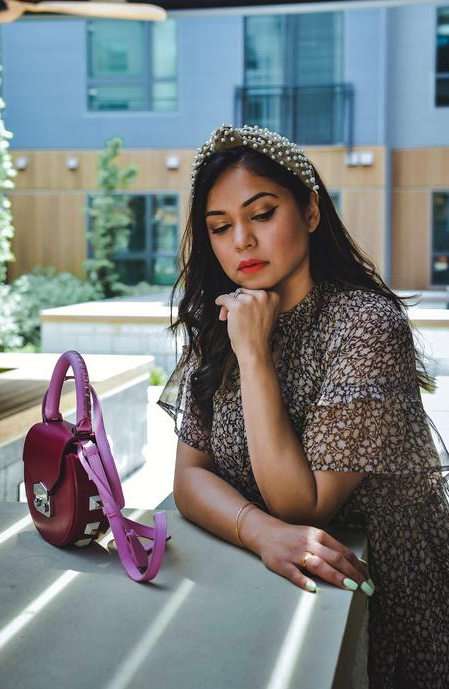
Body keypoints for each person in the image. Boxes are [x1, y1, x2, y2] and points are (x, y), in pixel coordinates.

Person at [158, 124, 449, 689]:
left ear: (311, 212)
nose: (240, 240)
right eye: (220, 227)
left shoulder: (365, 326)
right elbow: (189, 478)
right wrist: (261, 533)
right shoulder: (224, 322)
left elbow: (304, 507)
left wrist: (255, 356)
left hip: (383, 594)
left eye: (261, 214)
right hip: (271, 582)